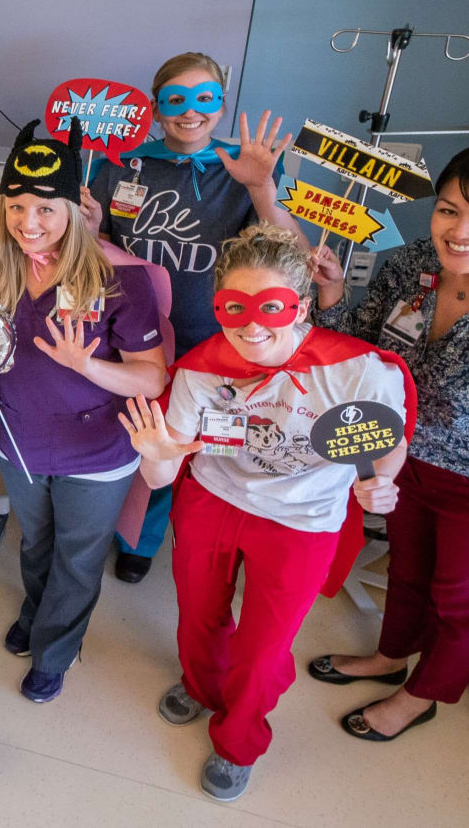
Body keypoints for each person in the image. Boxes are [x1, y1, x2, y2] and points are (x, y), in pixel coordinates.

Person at [120, 224, 412, 802]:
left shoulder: (355, 370)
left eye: (271, 307)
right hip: (213, 498)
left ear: (301, 305)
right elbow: (162, 469)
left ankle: (239, 739)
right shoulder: (203, 367)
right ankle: (201, 687)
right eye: (233, 307)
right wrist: (154, 460)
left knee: (264, 647)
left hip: (304, 520)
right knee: (198, 613)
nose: (250, 326)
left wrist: (384, 481)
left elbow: (386, 443)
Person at [306, 139, 469, 744]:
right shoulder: (410, 264)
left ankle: (423, 695)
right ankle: (390, 655)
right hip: (395, 455)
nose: (460, 230)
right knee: (407, 570)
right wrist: (329, 296)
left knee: (463, 600)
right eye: (449, 209)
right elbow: (360, 347)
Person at [0, 119, 167, 704]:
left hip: (96, 449)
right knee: (35, 544)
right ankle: (35, 610)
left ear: (75, 208)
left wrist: (87, 366)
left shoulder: (119, 277)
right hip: (21, 440)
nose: (30, 223)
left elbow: (152, 375)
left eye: (46, 209)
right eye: (17, 206)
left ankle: (54, 651)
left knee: (77, 557)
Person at [85, 52, 302, 584]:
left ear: (221, 104)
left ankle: (158, 536)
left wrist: (260, 188)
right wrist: (90, 231)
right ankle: (123, 529)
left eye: (204, 99)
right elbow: (108, 248)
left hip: (213, 338)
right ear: (156, 108)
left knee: (189, 440)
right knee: (135, 433)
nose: (190, 113)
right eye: (176, 100)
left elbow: (293, 255)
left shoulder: (244, 166)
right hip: (134, 333)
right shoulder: (121, 162)